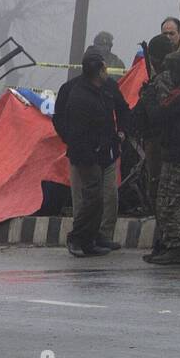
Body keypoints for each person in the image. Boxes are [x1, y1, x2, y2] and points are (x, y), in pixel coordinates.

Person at [59, 48, 130, 257]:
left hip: (107, 153)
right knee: (88, 200)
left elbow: (123, 110)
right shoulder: (74, 92)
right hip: (85, 156)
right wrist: (71, 142)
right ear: (98, 70)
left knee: (107, 197)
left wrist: (121, 132)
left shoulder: (109, 87)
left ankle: (98, 236)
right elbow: (63, 120)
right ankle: (79, 237)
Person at [147, 51, 180, 265]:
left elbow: (159, 116)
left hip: (178, 156)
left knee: (169, 203)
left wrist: (149, 98)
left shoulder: (179, 94)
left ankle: (175, 246)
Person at [136, 33, 176, 259]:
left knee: (161, 196)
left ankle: (167, 243)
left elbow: (157, 115)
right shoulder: (176, 77)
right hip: (169, 145)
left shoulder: (162, 82)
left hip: (161, 147)